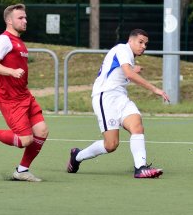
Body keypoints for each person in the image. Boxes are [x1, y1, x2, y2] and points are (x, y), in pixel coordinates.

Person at [66, 29, 169, 178]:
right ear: (130, 40)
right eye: (140, 42)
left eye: (145, 44)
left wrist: (134, 69)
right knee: (111, 145)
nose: (143, 46)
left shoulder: (128, 56)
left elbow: (122, 69)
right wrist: (154, 89)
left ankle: (140, 168)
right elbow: (128, 73)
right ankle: (77, 156)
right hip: (105, 97)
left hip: (121, 97)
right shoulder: (122, 49)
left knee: (137, 125)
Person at [0, 4, 48, 182]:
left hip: (24, 95)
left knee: (41, 131)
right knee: (25, 140)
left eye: (25, 17)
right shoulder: (3, 40)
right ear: (9, 20)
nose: (25, 21)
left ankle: (21, 170)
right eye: (20, 18)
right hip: (10, 99)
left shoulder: (19, 41)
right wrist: (12, 71)